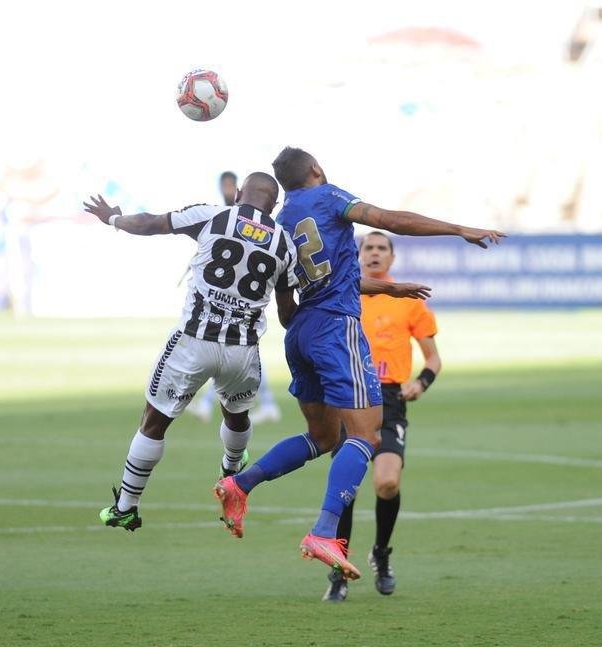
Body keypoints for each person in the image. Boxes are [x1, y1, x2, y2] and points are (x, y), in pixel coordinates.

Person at [213, 146, 503, 580]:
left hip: (300, 333)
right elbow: (387, 219)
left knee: (324, 436)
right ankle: (324, 532)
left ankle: (239, 483)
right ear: (316, 169)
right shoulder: (330, 196)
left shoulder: (282, 222)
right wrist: (457, 229)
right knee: (366, 436)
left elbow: (291, 301)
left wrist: (386, 290)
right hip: (336, 330)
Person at [82, 172, 297, 531]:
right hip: (242, 351)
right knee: (237, 416)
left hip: (193, 342)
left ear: (238, 193)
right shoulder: (285, 244)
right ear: (274, 206)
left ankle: (126, 507)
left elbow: (151, 223)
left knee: (154, 421)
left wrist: (114, 218)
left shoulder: (213, 215)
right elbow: (288, 314)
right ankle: (231, 474)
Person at [323, 231, 440, 602]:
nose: (374, 253)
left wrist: (420, 382)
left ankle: (381, 553)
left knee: (387, 483)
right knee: (346, 488)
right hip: (351, 397)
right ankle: (338, 569)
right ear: (358, 255)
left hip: (390, 400)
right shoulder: (343, 294)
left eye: (381, 248)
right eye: (368, 248)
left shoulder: (408, 302)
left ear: (391, 257)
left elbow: (433, 358)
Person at [190, 170, 284, 425]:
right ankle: (267, 404)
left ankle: (210, 404)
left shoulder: (235, 217)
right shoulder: (225, 214)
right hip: (234, 303)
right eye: (225, 185)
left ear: (239, 190)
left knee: (228, 352)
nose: (228, 190)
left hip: (242, 302)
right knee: (239, 353)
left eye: (232, 185)